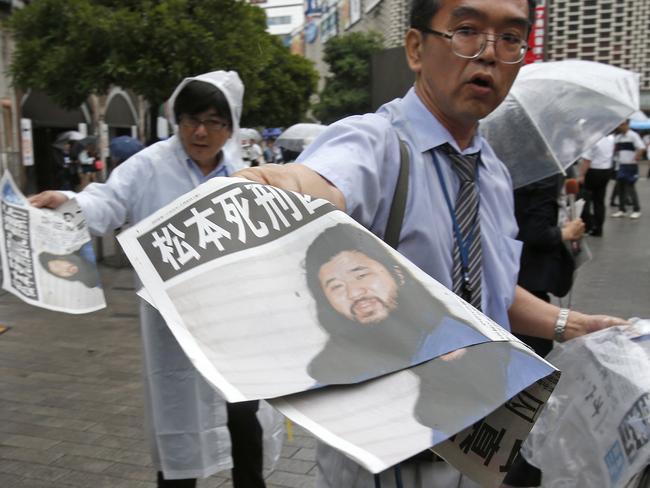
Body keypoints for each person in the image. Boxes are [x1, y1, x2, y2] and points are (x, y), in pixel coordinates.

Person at [235, 0, 624, 485]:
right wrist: (285, 187)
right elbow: (323, 181)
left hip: (476, 441)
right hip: (386, 455)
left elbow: (491, 295)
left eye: (509, 38)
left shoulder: (495, 175)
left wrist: (572, 324)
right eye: (466, 30)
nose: (488, 54)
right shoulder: (375, 143)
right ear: (416, 48)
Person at [29, 71, 268, 488]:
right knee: (179, 420)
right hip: (175, 320)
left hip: (233, 322)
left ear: (229, 127)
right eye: (191, 119)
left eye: (214, 121)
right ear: (177, 121)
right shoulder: (151, 165)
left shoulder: (243, 173)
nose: (200, 131)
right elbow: (108, 201)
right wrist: (68, 202)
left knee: (244, 417)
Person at [305, 223, 490, 385]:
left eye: (361, 275)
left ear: (398, 274)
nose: (353, 292)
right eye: (336, 287)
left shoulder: (459, 343)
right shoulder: (330, 371)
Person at [578, 134, 615, 236]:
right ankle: (598, 228)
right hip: (606, 170)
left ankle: (588, 226)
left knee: (585, 199)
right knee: (599, 201)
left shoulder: (592, 138)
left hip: (593, 171)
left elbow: (587, 160)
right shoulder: (611, 138)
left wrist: (581, 175)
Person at [611, 119, 646, 219]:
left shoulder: (633, 135)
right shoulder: (618, 137)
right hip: (621, 165)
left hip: (630, 166)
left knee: (630, 187)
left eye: (622, 124)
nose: (620, 127)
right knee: (620, 187)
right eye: (619, 125)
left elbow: (642, 147)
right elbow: (616, 152)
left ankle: (636, 209)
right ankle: (622, 210)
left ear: (627, 125)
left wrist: (637, 157)